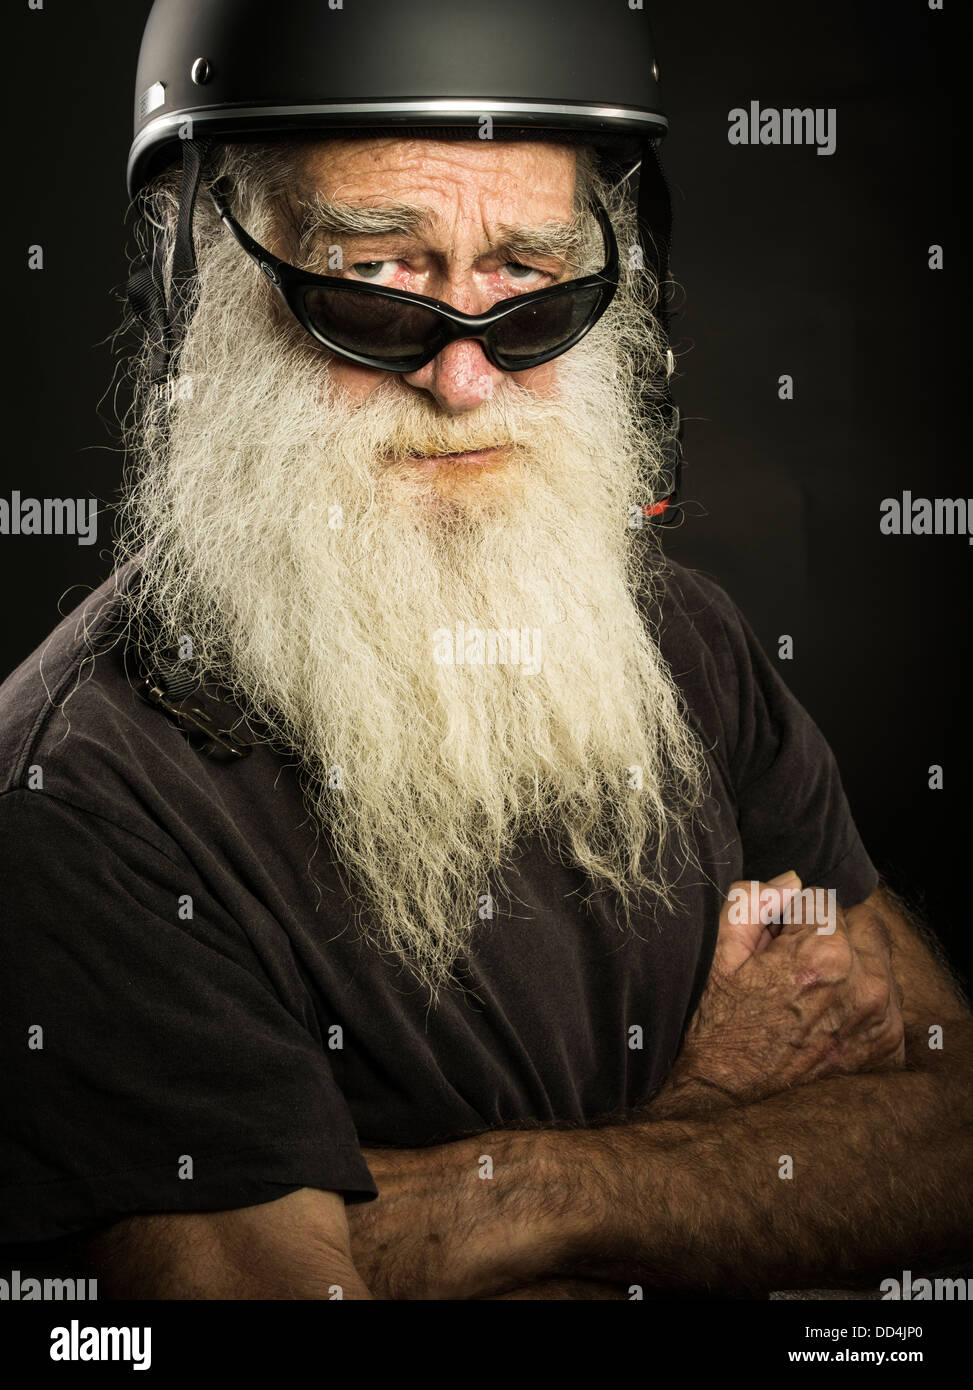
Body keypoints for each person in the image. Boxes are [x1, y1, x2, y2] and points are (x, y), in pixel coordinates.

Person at [0, 0, 970, 1300]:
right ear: (198, 282)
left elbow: (951, 1125)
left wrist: (506, 1204)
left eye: (524, 277)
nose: (465, 378)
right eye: (382, 276)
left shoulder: (681, 641)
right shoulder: (75, 805)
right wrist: (716, 1125)